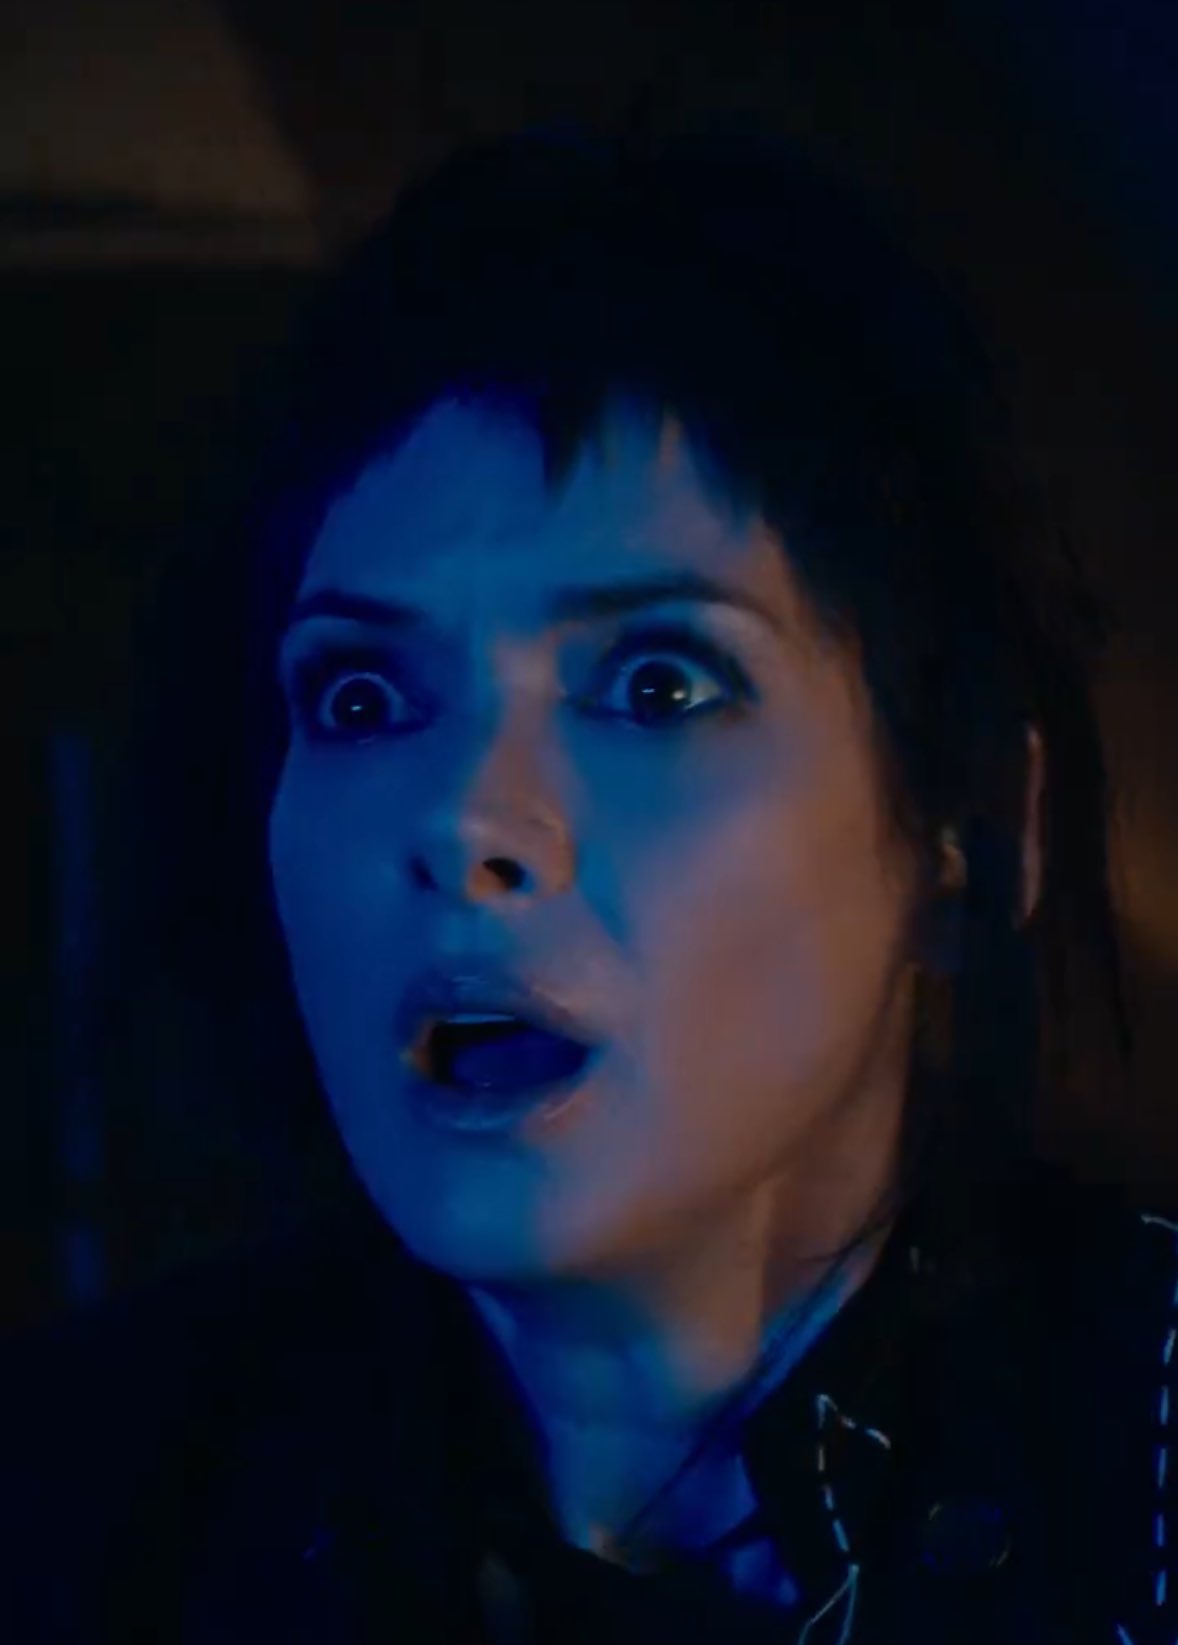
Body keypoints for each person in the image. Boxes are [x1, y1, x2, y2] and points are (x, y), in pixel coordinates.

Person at [3, 113, 1170, 1645]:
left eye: (657, 684)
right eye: (361, 695)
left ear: (972, 828)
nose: (463, 820)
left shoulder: (1137, 1465)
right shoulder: (78, 1495)